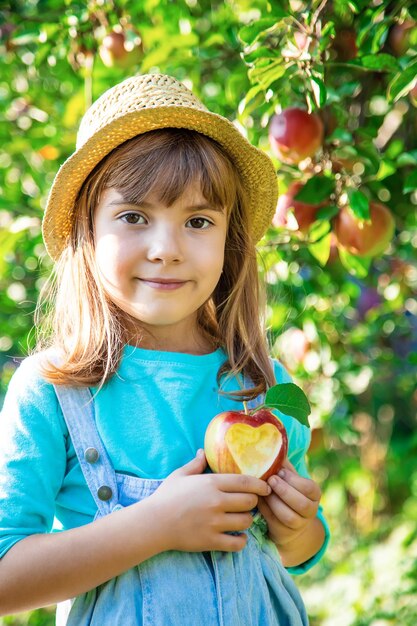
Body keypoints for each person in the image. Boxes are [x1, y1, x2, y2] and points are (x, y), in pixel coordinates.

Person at [0, 73, 329, 625]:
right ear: (87, 229)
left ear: (231, 239)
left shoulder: (263, 388)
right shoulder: (54, 391)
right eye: (133, 217)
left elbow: (297, 554)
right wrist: (155, 525)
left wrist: (299, 527)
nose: (166, 250)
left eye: (198, 221)